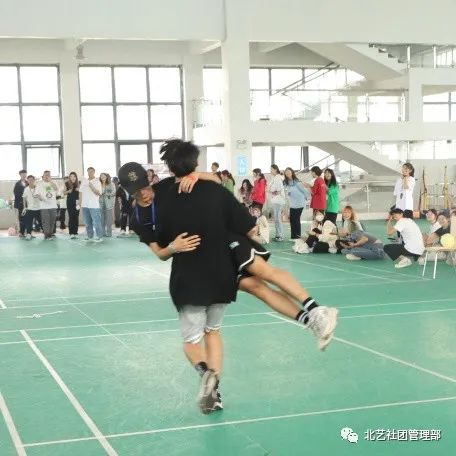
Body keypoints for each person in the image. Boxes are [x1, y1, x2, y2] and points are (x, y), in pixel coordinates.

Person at [121, 142, 338, 413]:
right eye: (135, 190)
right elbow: (160, 251)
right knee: (256, 288)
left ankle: (316, 312)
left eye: (144, 186)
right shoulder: (146, 211)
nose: (143, 193)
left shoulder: (172, 187)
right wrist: (173, 247)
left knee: (262, 275)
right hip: (209, 260)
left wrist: (196, 175)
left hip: (225, 248)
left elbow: (214, 183)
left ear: (154, 176)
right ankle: (310, 320)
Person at [283, 167, 308, 240]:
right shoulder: (285, 182)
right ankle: (293, 236)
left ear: (292, 172)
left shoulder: (297, 181)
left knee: (296, 219)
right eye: (286, 172)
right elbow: (285, 191)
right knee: (292, 220)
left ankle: (297, 237)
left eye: (289, 172)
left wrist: (306, 198)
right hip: (292, 204)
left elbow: (304, 191)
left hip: (300, 203)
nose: (288, 173)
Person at [79, 167, 103, 242]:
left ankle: (99, 237)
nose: (90, 173)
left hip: (94, 205)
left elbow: (98, 193)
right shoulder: (84, 181)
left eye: (92, 171)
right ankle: (90, 236)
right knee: (87, 222)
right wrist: (80, 203)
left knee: (96, 222)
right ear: (87, 172)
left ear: (94, 172)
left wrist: (90, 184)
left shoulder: (97, 181)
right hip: (85, 205)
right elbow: (80, 192)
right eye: (89, 171)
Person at [36, 170, 58, 240]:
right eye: (46, 175)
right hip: (44, 206)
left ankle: (50, 234)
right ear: (43, 176)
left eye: (48, 175)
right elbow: (37, 194)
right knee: (46, 221)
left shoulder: (53, 183)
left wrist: (50, 181)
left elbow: (56, 189)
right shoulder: (39, 184)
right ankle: (47, 235)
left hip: (53, 206)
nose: (47, 176)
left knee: (52, 221)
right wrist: (40, 198)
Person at [269, 164, 286, 242]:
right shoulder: (276, 177)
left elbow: (277, 189)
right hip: (276, 200)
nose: (270, 171)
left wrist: (272, 191)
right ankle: (277, 235)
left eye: (271, 169)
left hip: (278, 200)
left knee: (278, 218)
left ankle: (280, 236)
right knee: (276, 218)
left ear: (275, 169)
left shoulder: (278, 177)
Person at [21, 175, 41, 240]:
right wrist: (24, 207)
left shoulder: (38, 188)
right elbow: (24, 198)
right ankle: (29, 234)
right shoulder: (26, 189)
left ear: (34, 180)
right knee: (29, 223)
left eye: (32, 180)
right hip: (30, 209)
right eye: (29, 180)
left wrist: (39, 197)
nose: (30, 181)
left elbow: (41, 197)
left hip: (38, 208)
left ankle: (46, 234)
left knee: (41, 222)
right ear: (27, 181)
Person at [99, 173, 116, 237]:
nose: (102, 177)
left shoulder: (111, 184)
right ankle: (102, 232)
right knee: (101, 219)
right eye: (101, 176)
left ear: (106, 177)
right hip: (100, 203)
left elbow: (113, 192)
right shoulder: (99, 184)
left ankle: (109, 232)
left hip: (109, 204)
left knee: (109, 219)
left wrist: (106, 194)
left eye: (104, 176)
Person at [65, 172, 80, 239]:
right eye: (71, 176)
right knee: (71, 217)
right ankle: (71, 233)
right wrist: (68, 191)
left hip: (77, 203)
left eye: (74, 176)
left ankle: (75, 232)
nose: (72, 178)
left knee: (76, 217)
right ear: (69, 177)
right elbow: (63, 192)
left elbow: (82, 193)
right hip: (70, 202)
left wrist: (79, 190)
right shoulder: (67, 183)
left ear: (76, 177)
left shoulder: (79, 183)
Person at [13, 169, 28, 238]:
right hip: (20, 204)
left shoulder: (28, 182)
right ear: (20, 175)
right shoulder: (17, 184)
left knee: (28, 218)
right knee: (21, 218)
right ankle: (21, 232)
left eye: (25, 174)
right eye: (22, 174)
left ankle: (28, 232)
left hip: (28, 204)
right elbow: (15, 193)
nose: (24, 175)